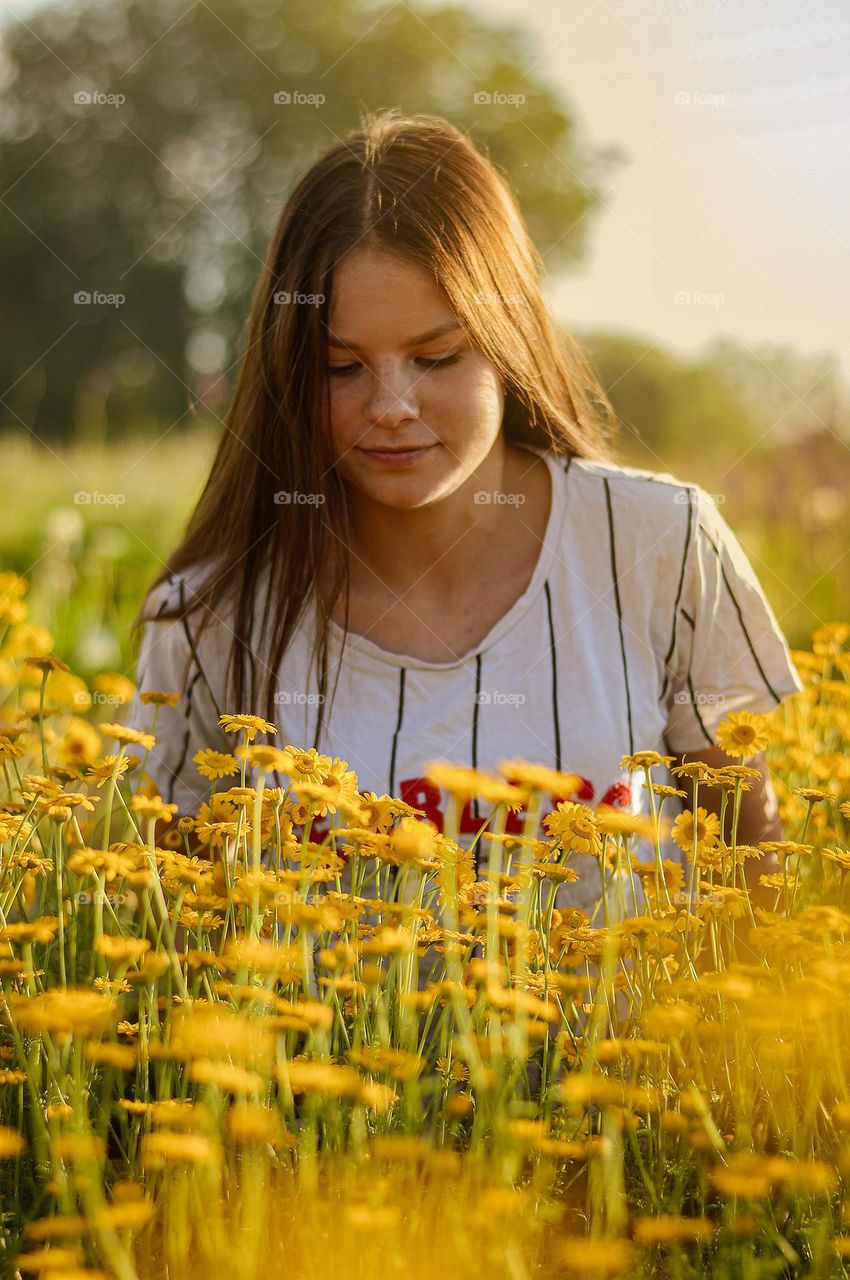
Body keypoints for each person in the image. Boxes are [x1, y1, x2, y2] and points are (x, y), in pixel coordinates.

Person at [124, 109, 803, 921]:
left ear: (508, 340)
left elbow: (760, 884)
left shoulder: (660, 543)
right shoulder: (208, 617)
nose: (391, 407)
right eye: (341, 367)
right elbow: (168, 937)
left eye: (436, 357)